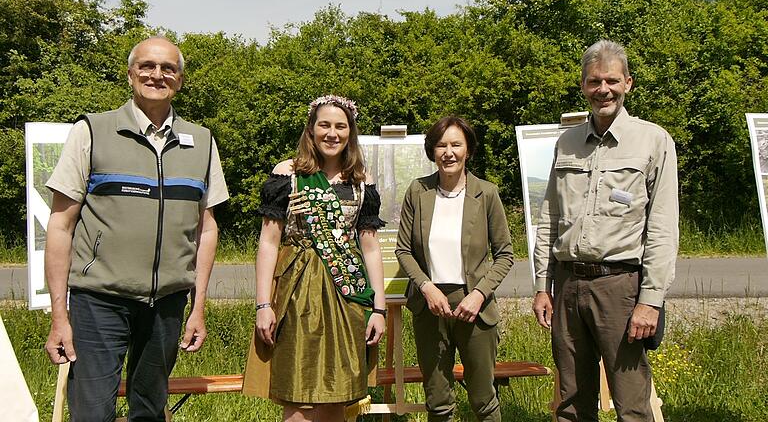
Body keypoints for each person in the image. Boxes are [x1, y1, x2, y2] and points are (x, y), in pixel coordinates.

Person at [43, 36, 229, 421]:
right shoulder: (93, 131)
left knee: (149, 411)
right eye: (147, 65)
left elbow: (206, 228)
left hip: (167, 304)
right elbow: (60, 225)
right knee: (92, 412)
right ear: (130, 74)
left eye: (168, 68)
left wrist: (199, 307)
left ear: (180, 79)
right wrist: (59, 316)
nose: (156, 75)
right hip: (98, 303)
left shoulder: (203, 142)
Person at [532, 39, 679, 422]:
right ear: (583, 86)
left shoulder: (653, 141)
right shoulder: (567, 143)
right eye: (594, 81)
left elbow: (663, 228)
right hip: (567, 285)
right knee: (571, 404)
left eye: (612, 80)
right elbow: (549, 217)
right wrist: (541, 286)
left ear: (628, 83)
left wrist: (650, 300)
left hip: (621, 288)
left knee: (631, 404)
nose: (603, 90)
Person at [244, 95, 387, 421]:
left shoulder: (362, 183)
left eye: (340, 126)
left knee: (338, 396)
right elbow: (268, 242)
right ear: (311, 130)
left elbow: (371, 248)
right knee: (297, 394)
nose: (332, 133)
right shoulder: (288, 174)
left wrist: (378, 308)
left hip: (346, 296)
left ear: (350, 132)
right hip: (297, 292)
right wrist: (263, 304)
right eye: (324, 125)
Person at [395, 116, 514, 422]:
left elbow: (505, 255)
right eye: (441, 145)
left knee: (483, 398)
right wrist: (426, 287)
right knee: (437, 399)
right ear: (432, 151)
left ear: (468, 150)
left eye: (456, 145)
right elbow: (403, 250)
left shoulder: (486, 194)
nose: (448, 152)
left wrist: (478, 295)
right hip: (429, 307)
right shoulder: (417, 192)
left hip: (475, 307)